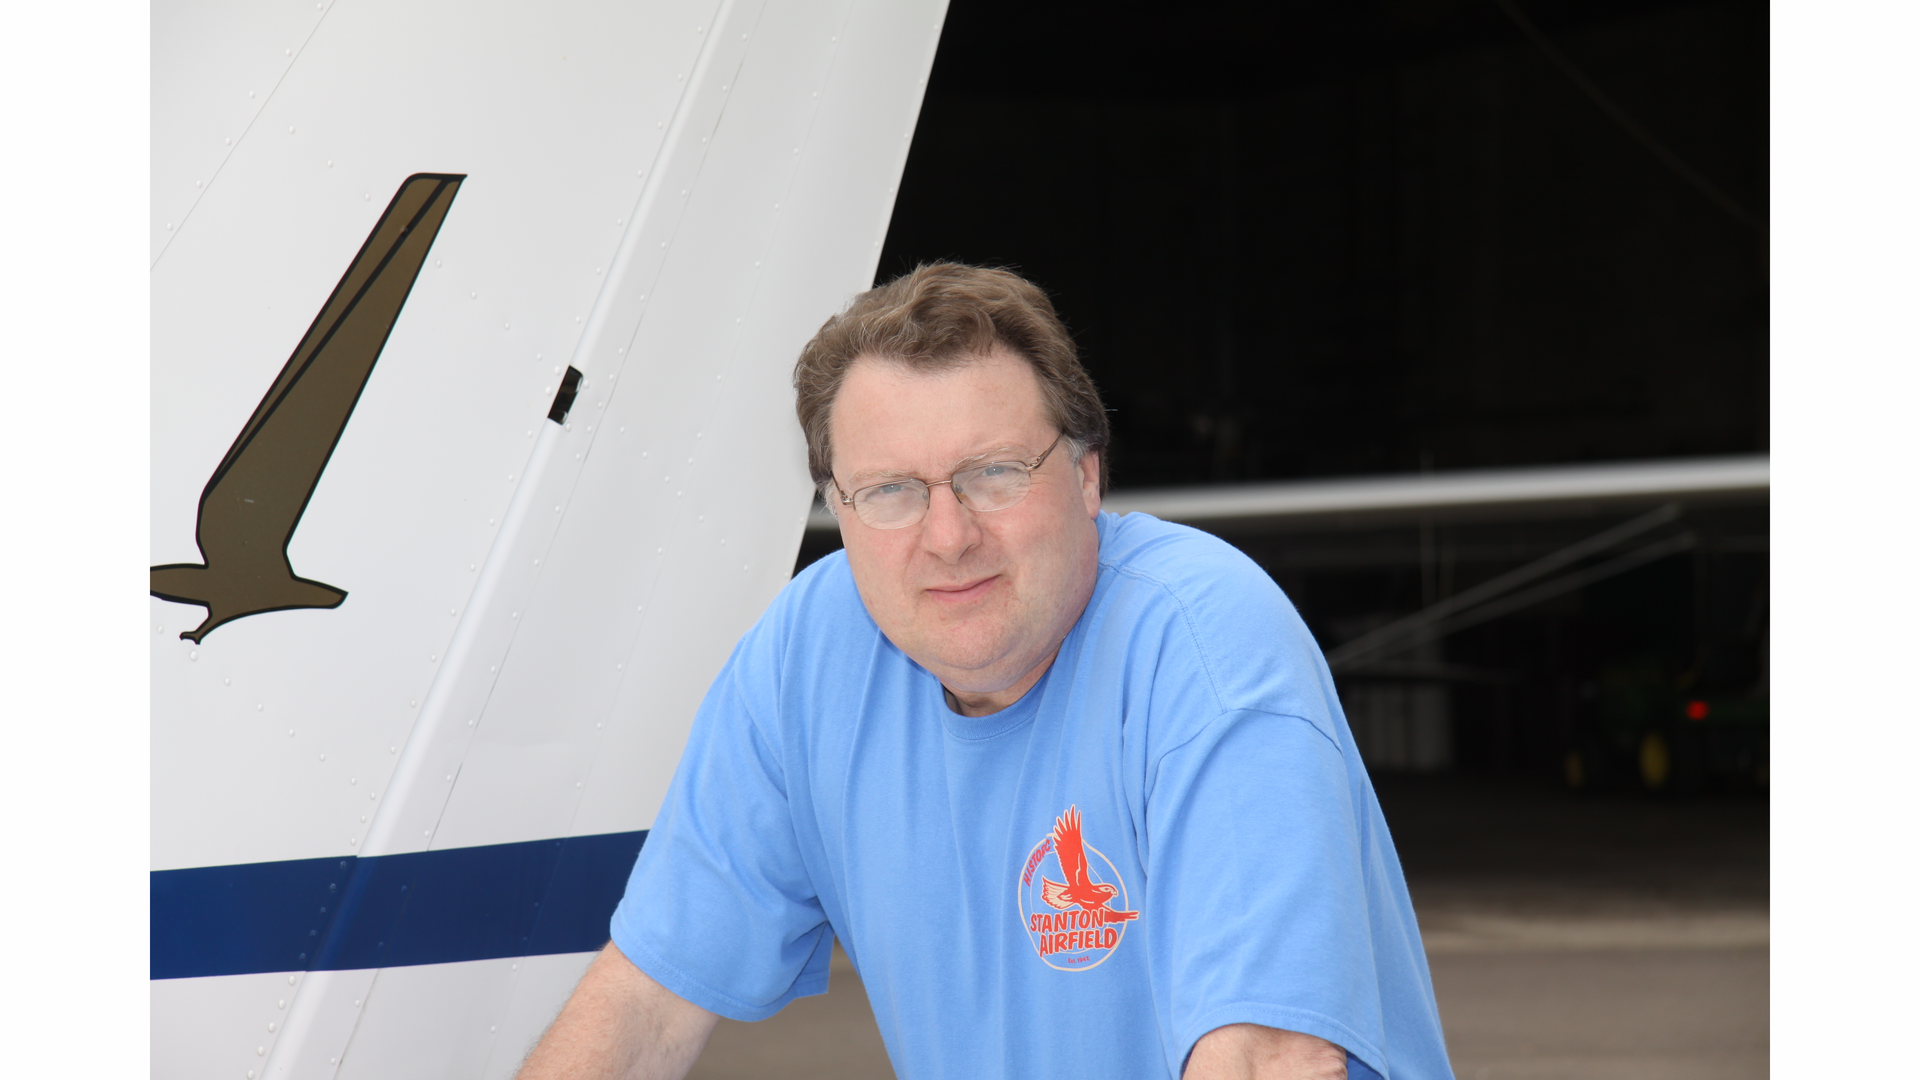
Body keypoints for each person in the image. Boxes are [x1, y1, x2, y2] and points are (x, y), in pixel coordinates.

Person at [518, 264, 1453, 1080]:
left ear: (1087, 476)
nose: (949, 536)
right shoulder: (808, 655)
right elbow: (646, 1001)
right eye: (889, 492)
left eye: (995, 474)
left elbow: (1268, 1058)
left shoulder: (1200, 641)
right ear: (837, 508)